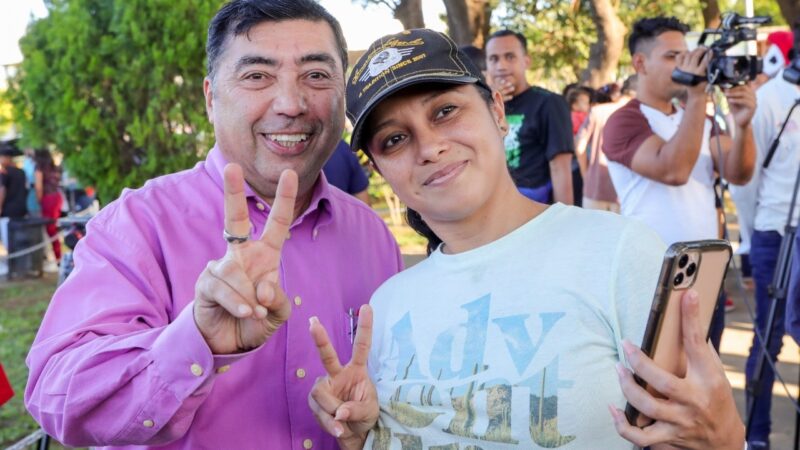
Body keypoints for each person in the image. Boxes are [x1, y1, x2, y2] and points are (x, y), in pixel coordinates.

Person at [307, 29, 746, 450]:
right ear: (382, 171)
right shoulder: (385, 306)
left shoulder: (617, 253)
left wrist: (723, 438)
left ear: (498, 113)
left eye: (444, 111)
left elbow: (696, 432)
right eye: (395, 139)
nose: (429, 146)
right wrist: (362, 435)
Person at [24, 1, 402, 448]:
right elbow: (59, 398)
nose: (291, 104)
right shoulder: (137, 225)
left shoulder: (371, 235)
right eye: (257, 76)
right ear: (210, 97)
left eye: (316, 75)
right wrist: (194, 340)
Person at [602, 17, 757, 353]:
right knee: (663, 388)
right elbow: (673, 170)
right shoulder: (624, 120)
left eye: (688, 55)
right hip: (654, 278)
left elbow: (739, 173)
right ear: (640, 63)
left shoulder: (696, 116)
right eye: (674, 56)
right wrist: (698, 94)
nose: (687, 64)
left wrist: (743, 126)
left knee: (704, 375)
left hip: (705, 274)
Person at [729, 45, 800, 449]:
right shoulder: (772, 99)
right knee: (769, 338)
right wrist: (754, 237)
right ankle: (756, 436)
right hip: (775, 231)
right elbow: (746, 180)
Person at [485, 29, 574, 205]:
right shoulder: (484, 106)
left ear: (526, 61)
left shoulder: (549, 103)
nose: (501, 66)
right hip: (491, 208)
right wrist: (487, 103)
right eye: (493, 59)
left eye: (510, 57)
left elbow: (560, 169)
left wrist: (565, 223)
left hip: (533, 208)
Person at [575, 76, 637, 213]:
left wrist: (586, 175)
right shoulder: (638, 115)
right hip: (625, 192)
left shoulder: (597, 111)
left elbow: (580, 147)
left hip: (595, 188)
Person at [33, 149, 63, 262]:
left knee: (51, 229)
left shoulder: (39, 167)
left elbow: (39, 187)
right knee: (53, 229)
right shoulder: (53, 167)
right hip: (57, 197)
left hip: (48, 199)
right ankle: (57, 256)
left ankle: (58, 258)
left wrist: (39, 200)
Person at [0, 142, 28, 219]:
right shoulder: (22, 172)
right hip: (22, 208)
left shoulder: (4, 173)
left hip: (8, 210)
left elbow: (2, 190)